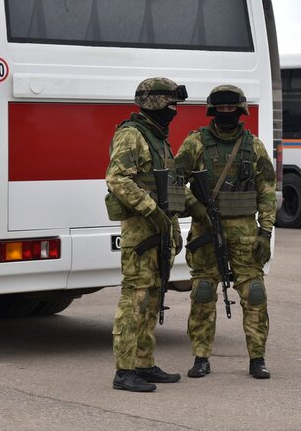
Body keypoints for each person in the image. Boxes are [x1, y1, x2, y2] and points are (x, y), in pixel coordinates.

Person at [174, 85, 277, 379]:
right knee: (204, 292)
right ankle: (201, 357)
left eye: (232, 109)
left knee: (255, 294)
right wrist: (196, 206)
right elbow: (172, 180)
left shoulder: (253, 146)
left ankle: (257, 358)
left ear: (241, 111)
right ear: (213, 111)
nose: (227, 114)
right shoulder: (195, 143)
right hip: (206, 229)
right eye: (222, 110)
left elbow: (267, 191)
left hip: (246, 231)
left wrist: (266, 232)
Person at [106, 78, 188, 392]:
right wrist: (152, 210)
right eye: (170, 103)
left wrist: (173, 226)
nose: (175, 109)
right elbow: (117, 180)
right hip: (140, 232)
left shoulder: (158, 138)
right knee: (135, 299)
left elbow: (171, 190)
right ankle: (124, 371)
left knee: (153, 300)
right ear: (152, 102)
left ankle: (144, 363)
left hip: (160, 230)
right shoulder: (132, 135)